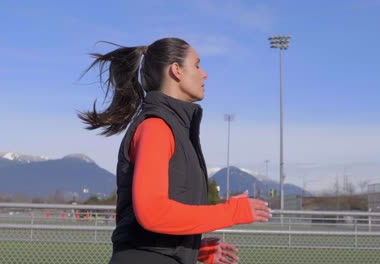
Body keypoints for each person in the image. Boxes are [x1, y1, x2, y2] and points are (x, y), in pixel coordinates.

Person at [79, 37, 271, 264]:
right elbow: (152, 213)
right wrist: (231, 212)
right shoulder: (156, 127)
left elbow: (163, 214)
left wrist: (190, 249)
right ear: (176, 71)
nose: (205, 74)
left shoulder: (175, 129)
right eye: (197, 65)